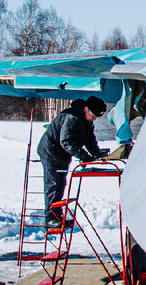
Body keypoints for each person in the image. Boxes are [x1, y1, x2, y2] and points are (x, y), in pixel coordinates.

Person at [38, 95, 108, 229]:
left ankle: (57, 216)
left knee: (61, 185)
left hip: (62, 156)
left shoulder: (85, 120)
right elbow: (66, 141)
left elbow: (89, 138)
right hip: (51, 153)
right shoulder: (72, 118)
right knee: (53, 185)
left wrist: (95, 152)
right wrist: (83, 155)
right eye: (93, 115)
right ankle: (49, 218)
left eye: (96, 118)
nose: (93, 119)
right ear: (86, 109)